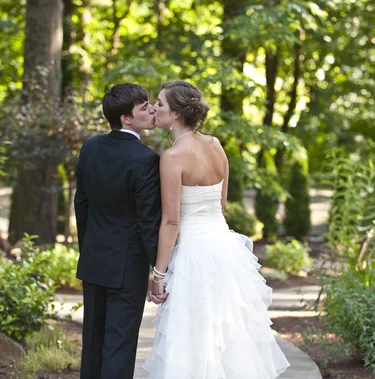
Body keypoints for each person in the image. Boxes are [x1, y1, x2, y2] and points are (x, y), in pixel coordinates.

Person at [143, 80, 290, 378]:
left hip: (194, 256)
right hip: (225, 250)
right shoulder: (215, 145)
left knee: (193, 341)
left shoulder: (172, 158)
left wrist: (158, 275)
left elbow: (171, 221)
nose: (154, 108)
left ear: (176, 115)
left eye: (160, 104)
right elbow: (221, 205)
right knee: (230, 340)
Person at [74, 83, 165, 379]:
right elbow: (148, 220)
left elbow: (82, 205)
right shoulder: (146, 159)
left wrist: (86, 250)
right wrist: (159, 269)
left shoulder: (90, 147)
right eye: (143, 107)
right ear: (126, 118)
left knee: (93, 344)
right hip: (127, 266)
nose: (151, 109)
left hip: (93, 259)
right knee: (119, 345)